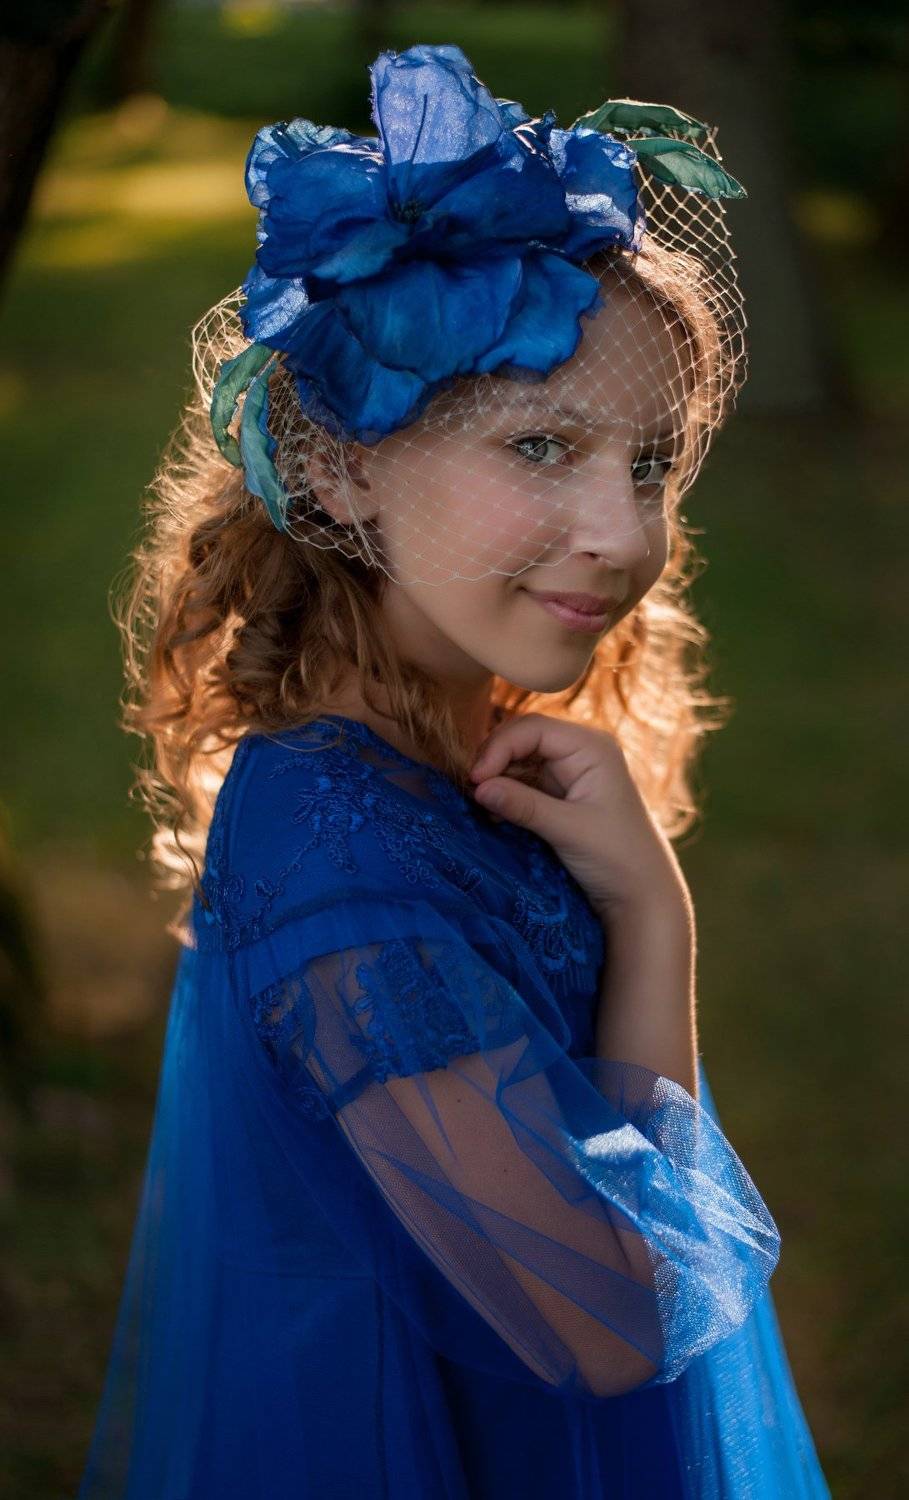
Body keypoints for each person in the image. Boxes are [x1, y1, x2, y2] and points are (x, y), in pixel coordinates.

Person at [77, 42, 831, 1498]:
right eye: (540, 445)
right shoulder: (340, 850)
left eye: (649, 465)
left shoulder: (451, 754)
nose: (621, 534)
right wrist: (655, 924)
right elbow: (604, 1321)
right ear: (342, 463)